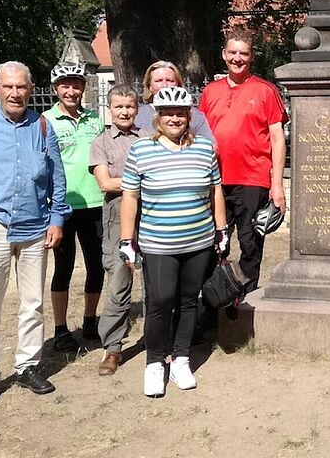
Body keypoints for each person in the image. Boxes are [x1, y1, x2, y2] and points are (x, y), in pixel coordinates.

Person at [0, 61, 71, 410]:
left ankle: (28, 366)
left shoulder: (43, 125)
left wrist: (57, 219)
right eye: (8, 87)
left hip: (35, 228)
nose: (15, 93)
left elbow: (57, 179)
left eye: (21, 87)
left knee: (33, 304)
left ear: (31, 90)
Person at [119, 86, 228, 397]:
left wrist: (221, 231)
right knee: (161, 302)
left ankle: (180, 358)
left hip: (198, 240)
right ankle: (154, 362)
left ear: (189, 116)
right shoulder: (141, 150)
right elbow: (130, 196)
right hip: (158, 244)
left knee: (188, 300)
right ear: (158, 117)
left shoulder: (205, 149)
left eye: (181, 113)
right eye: (168, 113)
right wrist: (127, 239)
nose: (175, 118)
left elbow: (215, 191)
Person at [198, 26, 288, 289]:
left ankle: (245, 299)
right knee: (214, 243)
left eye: (244, 54)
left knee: (250, 243)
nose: (238, 58)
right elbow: (200, 133)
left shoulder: (265, 90)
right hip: (215, 180)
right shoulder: (210, 92)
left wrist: (277, 184)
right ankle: (215, 303)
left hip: (252, 178)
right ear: (224, 54)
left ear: (251, 57)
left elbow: (277, 138)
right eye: (233, 52)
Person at [43, 61, 106, 352]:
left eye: (77, 84)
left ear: (84, 87)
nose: (71, 90)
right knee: (63, 267)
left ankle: (91, 319)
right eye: (65, 85)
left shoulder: (95, 119)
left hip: (94, 202)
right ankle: (60, 328)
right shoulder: (45, 121)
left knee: (96, 265)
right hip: (63, 205)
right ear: (56, 88)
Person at [88, 84, 150, 376]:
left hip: (151, 215)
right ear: (110, 109)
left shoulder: (150, 138)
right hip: (116, 215)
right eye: (119, 107)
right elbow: (105, 183)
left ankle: (156, 338)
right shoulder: (101, 142)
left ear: (137, 109)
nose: (125, 111)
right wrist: (141, 180)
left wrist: (125, 180)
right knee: (118, 281)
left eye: (130, 106)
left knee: (156, 281)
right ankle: (113, 347)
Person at [135, 60, 215, 141]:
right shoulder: (138, 116)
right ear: (150, 87)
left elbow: (211, 145)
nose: (165, 85)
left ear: (178, 84)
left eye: (170, 80)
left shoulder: (195, 115)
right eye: (158, 81)